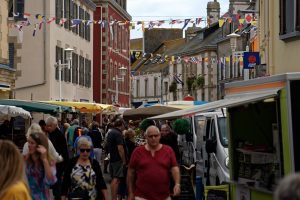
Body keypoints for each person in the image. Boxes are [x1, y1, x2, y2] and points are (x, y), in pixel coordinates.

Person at [127, 125, 181, 200]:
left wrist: (177, 184)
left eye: (156, 136)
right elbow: (130, 172)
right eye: (150, 136)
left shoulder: (168, 150)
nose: (153, 138)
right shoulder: (137, 151)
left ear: (160, 136)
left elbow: (174, 168)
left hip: (164, 196)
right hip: (141, 197)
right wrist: (130, 192)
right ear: (146, 137)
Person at [24, 130, 57, 199]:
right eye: (28, 142)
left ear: (40, 146)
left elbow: (51, 181)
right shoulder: (27, 159)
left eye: (32, 143)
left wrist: (44, 160)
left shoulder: (49, 161)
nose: (29, 145)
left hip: (42, 197)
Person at [46, 116, 69, 200]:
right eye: (47, 125)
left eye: (50, 126)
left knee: (58, 186)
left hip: (59, 165)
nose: (48, 128)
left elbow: (61, 152)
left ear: (55, 125)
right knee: (56, 186)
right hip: (54, 164)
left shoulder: (58, 135)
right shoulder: (51, 134)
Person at [106, 115, 127, 200]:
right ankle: (114, 198)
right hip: (117, 159)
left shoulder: (111, 132)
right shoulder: (118, 133)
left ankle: (114, 197)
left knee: (115, 179)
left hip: (113, 158)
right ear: (121, 124)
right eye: (124, 125)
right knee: (116, 179)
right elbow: (120, 148)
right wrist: (124, 160)